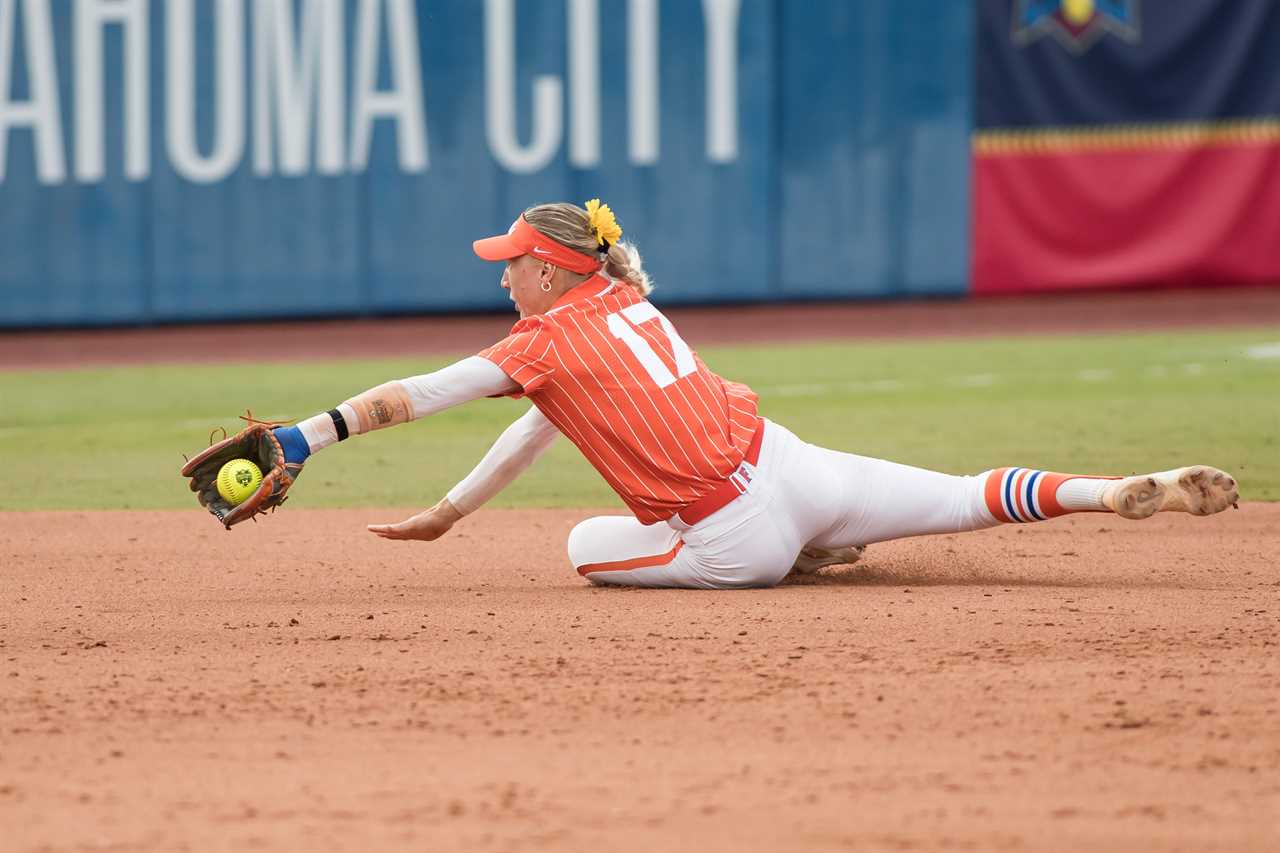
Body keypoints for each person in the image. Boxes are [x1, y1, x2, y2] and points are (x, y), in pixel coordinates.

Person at [265, 199, 1239, 589]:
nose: (503, 276)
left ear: (555, 273)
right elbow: (540, 426)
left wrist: (306, 438)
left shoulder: (547, 338)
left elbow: (416, 395)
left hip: (734, 538)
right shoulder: (626, 300)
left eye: (514, 263)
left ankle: (804, 557)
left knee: (581, 548)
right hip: (791, 464)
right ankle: (1110, 488)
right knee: (962, 493)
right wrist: (445, 509)